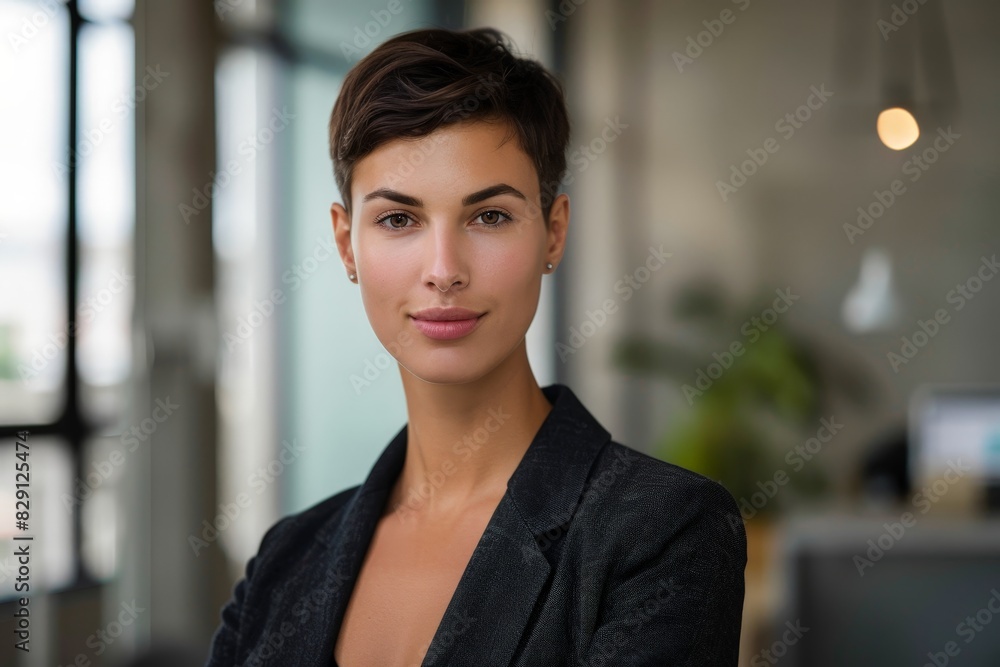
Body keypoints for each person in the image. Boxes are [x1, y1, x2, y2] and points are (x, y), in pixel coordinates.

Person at [205, 26, 746, 667]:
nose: (443, 268)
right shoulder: (285, 559)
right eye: (398, 219)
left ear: (552, 233)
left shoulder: (662, 534)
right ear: (347, 243)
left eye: (489, 216)